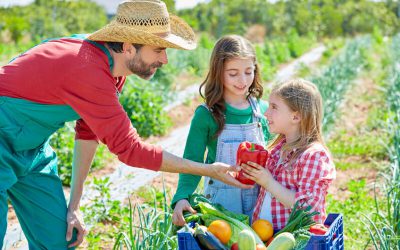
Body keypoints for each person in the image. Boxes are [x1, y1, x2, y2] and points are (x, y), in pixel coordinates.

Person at [0, 1, 250, 249]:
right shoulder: (88, 68)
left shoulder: (114, 70)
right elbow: (130, 150)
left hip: (31, 150)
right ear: (129, 47)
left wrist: (74, 206)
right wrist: (206, 169)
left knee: (57, 240)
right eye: (158, 49)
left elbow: (87, 132)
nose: (164, 60)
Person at [171, 35, 271, 226]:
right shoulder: (206, 115)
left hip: (261, 200)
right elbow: (192, 161)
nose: (242, 80)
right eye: (233, 74)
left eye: (248, 72)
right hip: (220, 205)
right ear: (218, 72)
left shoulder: (263, 111)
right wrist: (182, 197)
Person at [241, 79, 336, 230]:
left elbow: (308, 210)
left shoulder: (313, 156)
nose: (266, 113)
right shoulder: (278, 150)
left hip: (294, 241)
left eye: (274, 107)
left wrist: (268, 182)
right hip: (266, 237)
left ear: (296, 117)